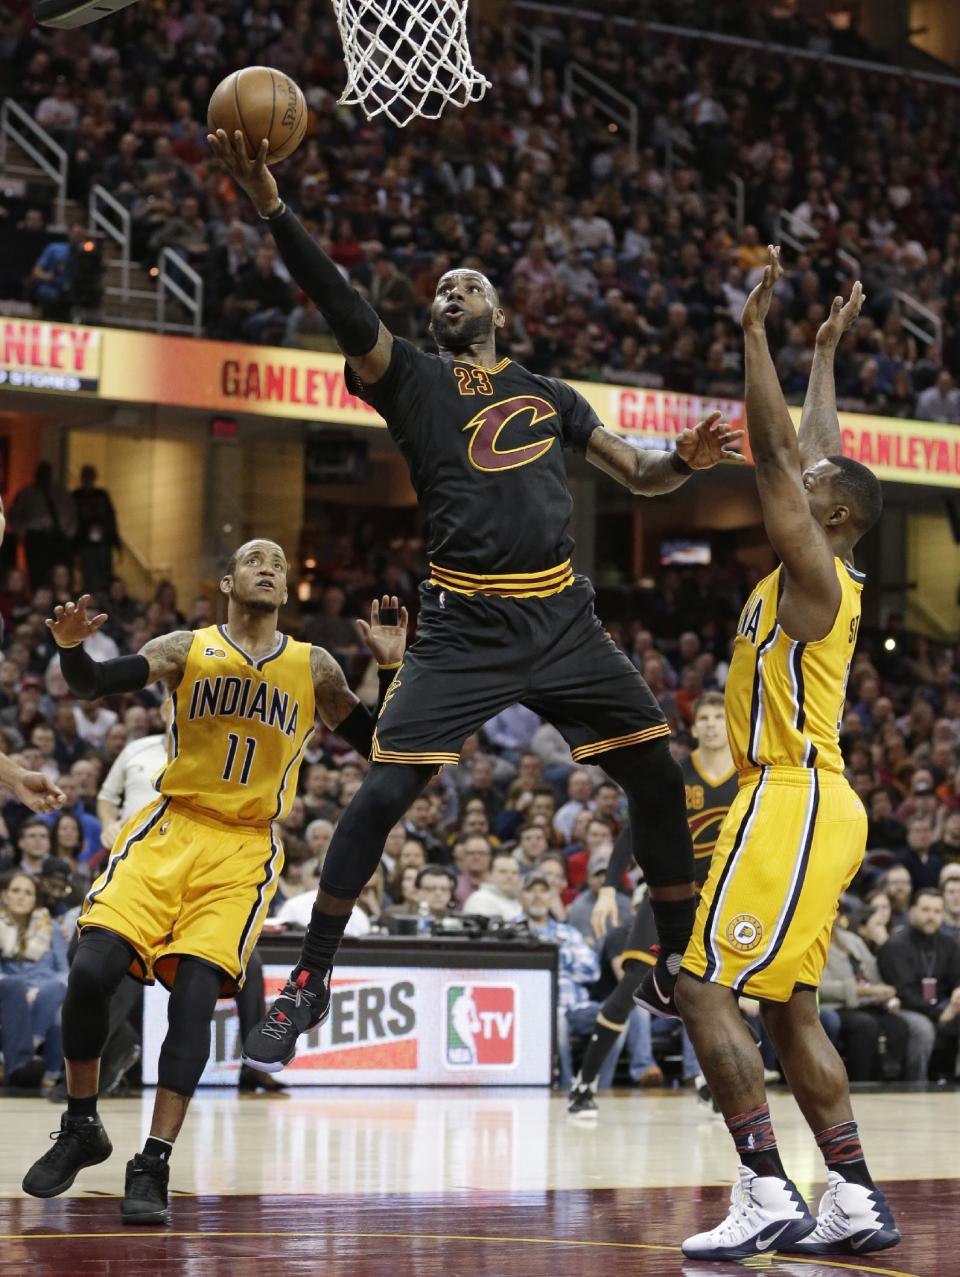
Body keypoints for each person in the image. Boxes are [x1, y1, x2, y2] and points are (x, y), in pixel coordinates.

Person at [209, 130, 745, 1075]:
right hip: (461, 623)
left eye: (464, 286)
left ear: (497, 307)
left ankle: (674, 953)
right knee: (378, 795)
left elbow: (639, 471)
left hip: (562, 619)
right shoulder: (411, 379)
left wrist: (683, 463)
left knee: (658, 776)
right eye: (438, 292)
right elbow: (340, 302)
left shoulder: (548, 393)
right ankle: (311, 980)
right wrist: (271, 205)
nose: (446, 297)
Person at [20, 569, 407, 1226]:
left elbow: (384, 747)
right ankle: (82, 1124)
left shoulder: (312, 666)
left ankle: (154, 1161)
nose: (269, 567)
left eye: (279, 565)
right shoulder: (185, 647)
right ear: (227, 580)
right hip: (170, 827)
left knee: (195, 999)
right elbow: (92, 682)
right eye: (256, 558)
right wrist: (69, 649)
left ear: (285, 592)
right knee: (89, 972)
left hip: (241, 846)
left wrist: (391, 670)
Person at [677, 257, 899, 1260]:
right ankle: (850, 1195)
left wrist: (755, 335)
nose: (802, 484)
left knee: (699, 984)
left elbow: (776, 456)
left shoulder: (813, 573)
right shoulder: (828, 555)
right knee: (789, 1001)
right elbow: (815, 451)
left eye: (816, 493)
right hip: (821, 798)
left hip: (790, 793)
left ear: (834, 518)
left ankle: (765, 1183)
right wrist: (821, 355)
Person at [568, 691, 738, 1116]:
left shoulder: (749, 778)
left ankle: (711, 1083)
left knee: (718, 997)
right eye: (706, 718)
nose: (714, 724)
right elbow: (633, 828)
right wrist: (609, 885)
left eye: (721, 716)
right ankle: (583, 1083)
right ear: (695, 727)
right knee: (633, 985)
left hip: (720, 900)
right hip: (669, 894)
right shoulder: (677, 773)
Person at [877, 888, 960, 1081]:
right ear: (912, 911)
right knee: (922, 1029)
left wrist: (957, 992)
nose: (931, 916)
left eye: (937, 911)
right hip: (904, 1009)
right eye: (925, 910)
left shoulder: (949, 944)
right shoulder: (896, 945)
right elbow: (903, 991)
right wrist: (939, 1013)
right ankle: (917, 1083)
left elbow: (957, 976)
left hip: (944, 1006)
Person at [0, 869, 69, 1087]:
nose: (22, 896)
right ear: (4, 895)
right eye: (16, 891)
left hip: (47, 991)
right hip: (12, 992)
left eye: (28, 893)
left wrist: (39, 991)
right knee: (15, 987)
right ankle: (26, 1067)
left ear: (35, 899)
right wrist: (22, 991)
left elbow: (64, 971)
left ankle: (47, 1071)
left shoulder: (52, 928)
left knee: (58, 999)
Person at [71, 466, 120, 594]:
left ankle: (104, 598)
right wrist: (73, 548)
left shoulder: (102, 494)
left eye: (90, 476)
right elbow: (72, 522)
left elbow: (111, 518)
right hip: (84, 542)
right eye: (86, 476)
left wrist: (116, 542)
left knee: (105, 573)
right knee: (88, 574)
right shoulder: (76, 496)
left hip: (102, 541)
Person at [462, 850, 523, 921]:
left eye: (514, 873)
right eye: (503, 872)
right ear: (489, 875)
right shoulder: (479, 899)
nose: (509, 876)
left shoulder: (519, 902)